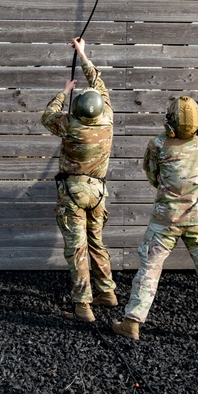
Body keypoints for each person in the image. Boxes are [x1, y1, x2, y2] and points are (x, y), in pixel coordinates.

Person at [112, 96, 198, 343]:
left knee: (149, 269)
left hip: (165, 220)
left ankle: (132, 322)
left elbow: (152, 175)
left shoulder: (158, 144)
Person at [41, 37, 116, 323]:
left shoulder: (69, 125)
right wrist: (83, 54)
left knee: (76, 246)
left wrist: (63, 93)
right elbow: (98, 81)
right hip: (98, 191)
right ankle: (107, 290)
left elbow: (47, 116)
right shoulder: (108, 117)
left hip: (72, 191)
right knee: (96, 240)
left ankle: (83, 305)